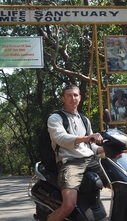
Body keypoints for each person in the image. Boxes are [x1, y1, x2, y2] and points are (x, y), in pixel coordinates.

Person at [47, 84, 104, 221]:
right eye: (69, 95)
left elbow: (90, 147)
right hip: (71, 163)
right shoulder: (56, 118)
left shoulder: (84, 120)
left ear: (80, 98)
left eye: (75, 95)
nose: (73, 98)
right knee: (68, 205)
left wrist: (105, 149)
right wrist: (88, 138)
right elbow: (61, 139)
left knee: (122, 182)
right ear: (63, 98)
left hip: (91, 161)